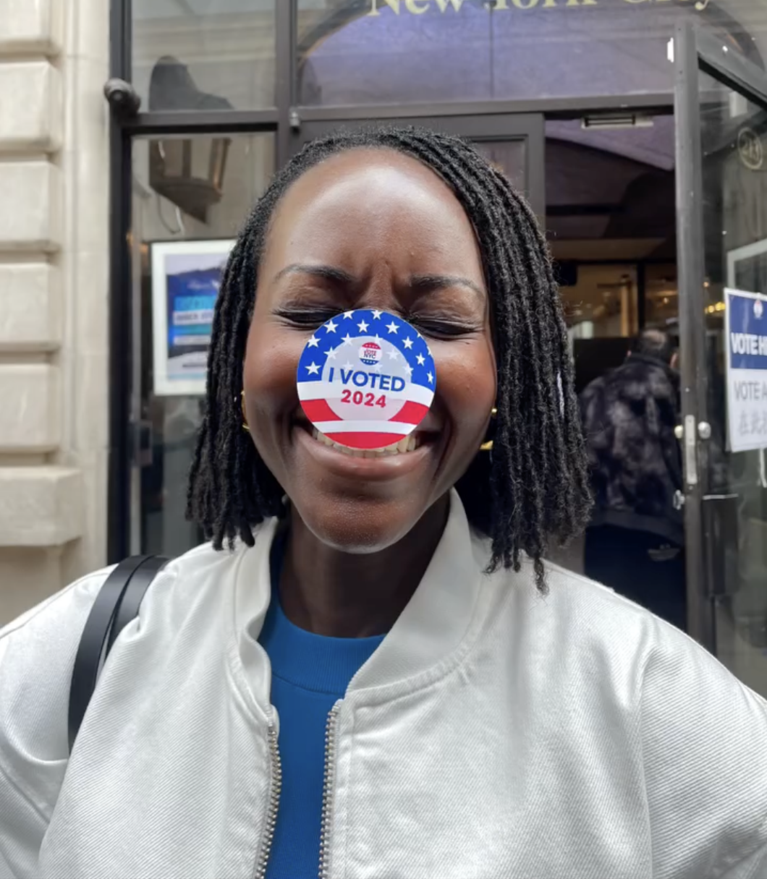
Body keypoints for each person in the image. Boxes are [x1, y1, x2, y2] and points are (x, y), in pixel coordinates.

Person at [1, 127, 766, 879]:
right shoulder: (77, 662)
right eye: (307, 312)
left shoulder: (642, 697)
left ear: (505, 379)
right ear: (238, 348)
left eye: (438, 323)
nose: (367, 367)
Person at [579, 328, 687, 629]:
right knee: (664, 625)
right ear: (673, 359)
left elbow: (573, 457)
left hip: (602, 526)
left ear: (628, 354)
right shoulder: (673, 391)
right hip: (658, 526)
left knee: (610, 621)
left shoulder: (594, 389)